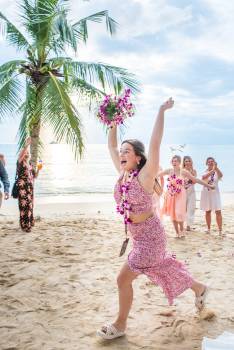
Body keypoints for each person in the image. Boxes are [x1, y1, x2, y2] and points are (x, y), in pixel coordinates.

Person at [97, 98, 209, 340]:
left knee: (122, 279)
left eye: (128, 151)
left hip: (151, 238)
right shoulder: (123, 173)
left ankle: (120, 324)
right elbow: (111, 146)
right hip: (138, 237)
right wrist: (114, 120)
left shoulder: (145, 178)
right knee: (165, 269)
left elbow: (155, 143)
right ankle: (200, 288)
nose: (122, 153)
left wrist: (161, 111)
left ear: (138, 158)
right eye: (122, 151)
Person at [160, 155, 213, 238]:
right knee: (173, 214)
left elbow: (196, 180)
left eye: (176, 161)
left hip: (181, 195)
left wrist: (208, 186)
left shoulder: (183, 172)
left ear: (179, 162)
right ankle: (177, 233)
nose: (174, 162)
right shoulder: (169, 171)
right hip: (171, 195)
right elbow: (157, 175)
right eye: (173, 161)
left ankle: (182, 230)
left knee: (179, 213)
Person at [17, 137, 41, 232]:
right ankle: (25, 226)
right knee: (24, 206)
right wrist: (27, 145)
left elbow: (35, 176)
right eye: (25, 153)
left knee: (30, 206)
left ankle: (29, 223)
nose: (27, 154)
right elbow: (21, 155)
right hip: (23, 189)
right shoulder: (20, 163)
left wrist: (39, 168)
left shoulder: (30, 165)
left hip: (30, 189)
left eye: (28, 153)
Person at [200, 157, 223, 236]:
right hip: (206, 193)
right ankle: (208, 229)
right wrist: (212, 170)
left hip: (215, 194)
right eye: (209, 161)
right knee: (208, 211)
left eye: (212, 161)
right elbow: (203, 177)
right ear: (206, 163)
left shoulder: (216, 171)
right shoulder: (205, 171)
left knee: (218, 211)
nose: (210, 162)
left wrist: (216, 168)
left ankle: (220, 230)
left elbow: (221, 175)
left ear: (214, 162)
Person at [183, 156, 197, 231]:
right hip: (183, 192)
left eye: (189, 161)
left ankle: (188, 225)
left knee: (191, 209)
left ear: (191, 162)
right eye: (186, 161)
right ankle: (184, 224)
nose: (187, 162)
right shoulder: (182, 171)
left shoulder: (194, 171)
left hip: (191, 191)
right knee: (184, 209)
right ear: (184, 162)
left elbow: (195, 182)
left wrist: (191, 175)